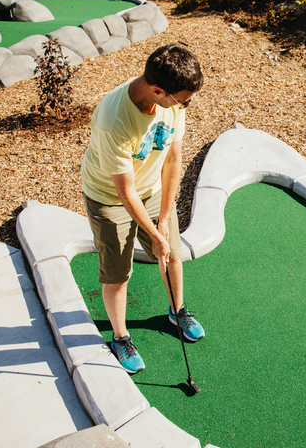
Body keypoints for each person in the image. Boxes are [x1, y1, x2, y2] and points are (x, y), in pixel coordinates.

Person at [81, 44, 205, 374]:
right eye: (183, 100)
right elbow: (124, 192)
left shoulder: (173, 104)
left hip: (151, 190)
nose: (187, 106)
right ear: (157, 90)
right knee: (119, 275)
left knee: (172, 254)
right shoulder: (114, 120)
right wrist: (152, 234)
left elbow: (173, 159)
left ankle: (177, 310)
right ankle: (120, 337)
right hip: (109, 198)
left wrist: (164, 220)